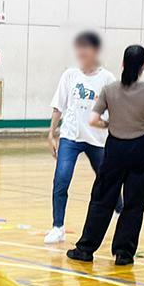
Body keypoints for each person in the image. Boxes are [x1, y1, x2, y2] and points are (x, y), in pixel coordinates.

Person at [66, 45, 144, 266]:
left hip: (114, 148)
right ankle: (124, 253)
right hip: (140, 149)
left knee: (102, 198)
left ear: (122, 64)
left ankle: (85, 248)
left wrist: (108, 124)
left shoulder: (110, 90)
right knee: (135, 202)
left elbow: (93, 119)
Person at [45, 31, 108, 243]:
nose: (81, 53)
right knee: (61, 179)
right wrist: (51, 133)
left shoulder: (107, 79)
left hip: (96, 138)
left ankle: (118, 209)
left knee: (107, 178)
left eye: (86, 48)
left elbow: (117, 108)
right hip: (70, 136)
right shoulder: (70, 75)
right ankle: (57, 226)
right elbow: (58, 105)